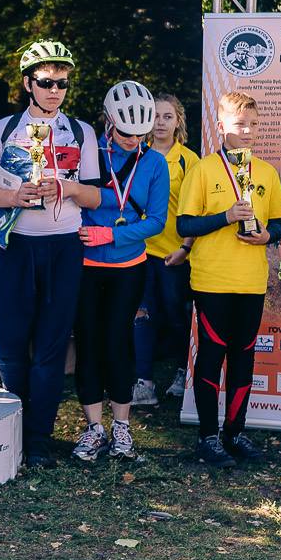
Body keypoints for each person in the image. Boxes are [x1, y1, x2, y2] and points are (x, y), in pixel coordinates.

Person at [0, 41, 103, 468]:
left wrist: (68, 188)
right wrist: (12, 196)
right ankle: (12, 429)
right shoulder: (5, 128)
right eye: (46, 83)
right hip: (16, 245)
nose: (54, 91)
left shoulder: (81, 131)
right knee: (7, 342)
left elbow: (96, 196)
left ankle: (39, 439)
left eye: (62, 84)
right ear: (28, 84)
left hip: (63, 247)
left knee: (51, 346)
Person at [170, 91, 281, 467]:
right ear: (220, 126)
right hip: (212, 280)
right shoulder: (203, 170)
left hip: (251, 281)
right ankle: (208, 436)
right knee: (211, 355)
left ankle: (234, 433)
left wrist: (267, 236)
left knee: (243, 357)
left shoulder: (266, 172)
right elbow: (185, 225)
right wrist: (226, 217)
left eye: (253, 124)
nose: (247, 131)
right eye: (240, 124)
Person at [70, 82, 169, 463]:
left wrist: (111, 234)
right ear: (109, 122)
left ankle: (122, 427)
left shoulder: (154, 163)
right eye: (127, 132)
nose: (134, 140)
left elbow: (156, 221)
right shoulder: (88, 153)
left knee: (119, 342)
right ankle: (94, 427)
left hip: (129, 266)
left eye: (141, 134)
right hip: (86, 266)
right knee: (89, 342)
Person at [132, 92, 199, 406]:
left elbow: (197, 209)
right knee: (142, 315)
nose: (160, 123)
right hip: (139, 251)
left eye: (167, 116)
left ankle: (182, 372)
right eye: (155, 116)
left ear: (178, 122)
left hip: (175, 254)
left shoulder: (189, 160)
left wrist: (186, 248)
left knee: (176, 316)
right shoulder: (136, 154)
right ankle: (143, 382)